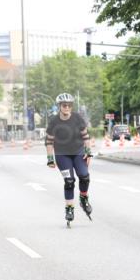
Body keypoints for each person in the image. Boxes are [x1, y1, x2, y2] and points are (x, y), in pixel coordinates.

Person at [45, 93, 94, 227]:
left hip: (78, 153)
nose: (67, 107)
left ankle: (83, 198)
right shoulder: (54, 121)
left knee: (84, 177)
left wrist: (88, 152)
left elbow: (86, 136)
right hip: (62, 155)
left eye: (69, 105)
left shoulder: (78, 118)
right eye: (64, 105)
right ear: (59, 106)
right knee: (69, 181)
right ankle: (69, 209)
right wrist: (50, 158)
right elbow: (49, 141)